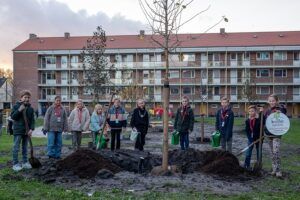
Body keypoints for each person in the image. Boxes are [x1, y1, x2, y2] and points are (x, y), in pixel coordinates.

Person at [10, 90, 35, 171]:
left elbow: (32, 120)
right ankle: (15, 164)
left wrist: (31, 129)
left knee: (25, 147)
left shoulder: (30, 108)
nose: (27, 99)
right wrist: (19, 110)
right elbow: (13, 117)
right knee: (16, 147)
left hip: (26, 131)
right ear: (21, 98)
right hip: (18, 130)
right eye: (25, 97)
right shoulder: (16, 106)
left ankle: (25, 162)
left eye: (28, 97)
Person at [263, 94, 287, 177]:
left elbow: (283, 112)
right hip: (268, 135)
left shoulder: (279, 109)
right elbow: (265, 121)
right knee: (272, 153)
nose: (271, 102)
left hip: (276, 135)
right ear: (268, 101)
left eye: (273, 100)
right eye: (270, 101)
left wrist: (280, 112)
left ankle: (278, 171)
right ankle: (274, 169)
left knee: (276, 152)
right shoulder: (267, 111)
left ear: (276, 101)